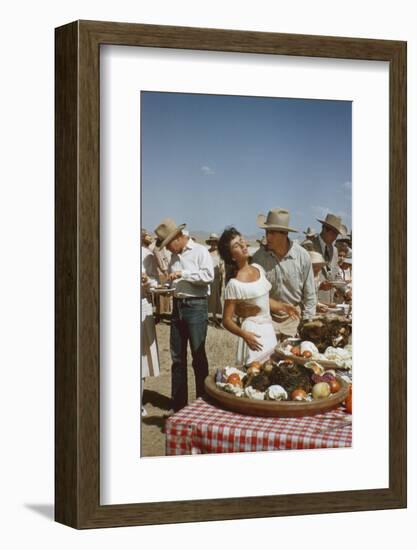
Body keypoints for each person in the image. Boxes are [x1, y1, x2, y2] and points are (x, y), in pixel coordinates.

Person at [154, 218, 214, 412]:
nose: (169, 250)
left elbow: (208, 277)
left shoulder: (200, 251)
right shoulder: (174, 256)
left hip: (196, 307)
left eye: (169, 244)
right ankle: (178, 405)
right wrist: (167, 287)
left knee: (198, 356)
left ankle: (202, 404)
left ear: (179, 237)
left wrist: (183, 274)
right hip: (178, 306)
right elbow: (176, 281)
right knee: (177, 358)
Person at [218, 227, 299, 365]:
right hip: (252, 334)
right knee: (255, 373)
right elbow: (226, 320)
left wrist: (284, 307)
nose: (243, 245)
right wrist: (244, 335)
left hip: (268, 329)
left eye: (241, 240)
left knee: (271, 369)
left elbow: (264, 301)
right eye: (236, 245)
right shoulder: (234, 284)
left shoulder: (258, 269)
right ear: (231, 256)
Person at [252, 208, 316, 337]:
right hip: (266, 318)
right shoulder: (259, 258)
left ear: (284, 234)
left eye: (272, 233)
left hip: (293, 319)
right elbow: (255, 293)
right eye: (266, 231)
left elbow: (309, 294)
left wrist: (308, 322)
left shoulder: (302, 256)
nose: (267, 237)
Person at [141, 229, 161, 416]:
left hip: (141, 306)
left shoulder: (147, 255)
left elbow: (156, 282)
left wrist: (147, 281)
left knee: (140, 356)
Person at [310, 213, 346, 304]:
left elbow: (336, 275)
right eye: (334, 233)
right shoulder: (308, 246)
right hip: (312, 302)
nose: (335, 238)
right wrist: (319, 286)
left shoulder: (334, 251)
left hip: (328, 303)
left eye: (337, 234)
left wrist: (346, 291)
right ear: (324, 229)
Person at [205, 233, 224, 327]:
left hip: (216, 276)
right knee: (208, 296)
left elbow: (221, 266)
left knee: (216, 296)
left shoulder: (220, 253)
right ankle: (208, 317)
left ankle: (215, 317)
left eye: (215, 242)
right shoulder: (207, 252)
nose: (213, 244)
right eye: (212, 242)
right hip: (208, 275)